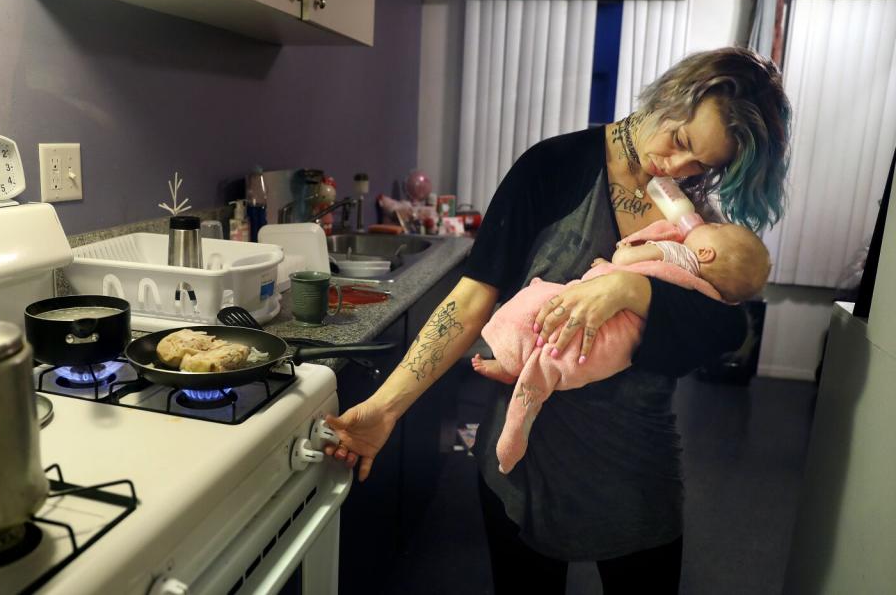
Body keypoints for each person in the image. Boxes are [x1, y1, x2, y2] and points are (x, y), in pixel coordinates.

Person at [323, 46, 791, 594]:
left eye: (703, 166)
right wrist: (384, 409)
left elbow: (723, 330)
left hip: (636, 462)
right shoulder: (552, 167)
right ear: (670, 95)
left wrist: (633, 288)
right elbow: (472, 299)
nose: (679, 169)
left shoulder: (693, 219)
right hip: (526, 463)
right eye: (682, 142)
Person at [471, 219, 771, 474]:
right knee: (552, 360)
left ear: (705, 253)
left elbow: (627, 263)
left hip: (603, 333)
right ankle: (522, 381)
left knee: (536, 310)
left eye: (715, 225)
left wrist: (622, 260)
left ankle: (513, 365)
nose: (706, 222)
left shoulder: (679, 253)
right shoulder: (707, 291)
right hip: (616, 353)